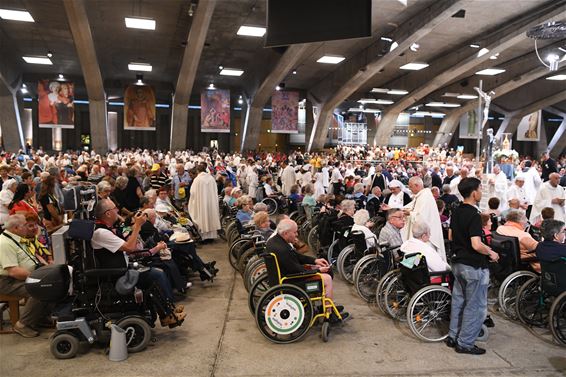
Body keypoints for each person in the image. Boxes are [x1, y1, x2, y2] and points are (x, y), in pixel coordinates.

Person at [91, 199, 186, 327]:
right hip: (116, 275)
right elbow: (130, 248)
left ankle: (167, 312)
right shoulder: (101, 233)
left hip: (123, 267)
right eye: (115, 209)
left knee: (155, 274)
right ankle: (167, 314)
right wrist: (137, 226)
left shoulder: (106, 229)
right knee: (157, 274)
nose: (118, 211)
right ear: (108, 213)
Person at [447, 177, 499, 355]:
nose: (482, 192)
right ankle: (465, 343)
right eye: (480, 188)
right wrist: (491, 252)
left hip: (458, 263)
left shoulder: (457, 210)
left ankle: (453, 336)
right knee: (475, 306)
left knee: (459, 301)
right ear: (474, 192)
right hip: (473, 266)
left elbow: (452, 236)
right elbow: (477, 244)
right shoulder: (474, 215)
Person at [266, 219, 349, 322]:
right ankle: (329, 314)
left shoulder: (276, 241)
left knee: (326, 272)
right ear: (286, 233)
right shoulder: (282, 249)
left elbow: (296, 257)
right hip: (291, 284)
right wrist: (317, 271)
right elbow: (297, 270)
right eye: (295, 232)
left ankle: (325, 306)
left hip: (285, 279)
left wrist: (315, 261)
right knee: (327, 278)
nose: (297, 234)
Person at [0, 214, 50, 337]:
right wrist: (37, 277)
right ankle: (23, 324)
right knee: (40, 288)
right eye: (25, 226)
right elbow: (13, 271)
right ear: (16, 228)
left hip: (18, 278)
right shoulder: (4, 243)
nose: (27, 228)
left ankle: (39, 317)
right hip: (7, 282)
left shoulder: (17, 237)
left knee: (52, 283)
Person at [402, 176, 446, 262]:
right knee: (416, 259)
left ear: (417, 185)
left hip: (426, 236)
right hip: (420, 237)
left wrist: (410, 213)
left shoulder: (426, 196)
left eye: (411, 187)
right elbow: (411, 208)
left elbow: (422, 217)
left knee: (426, 260)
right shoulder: (421, 196)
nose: (410, 189)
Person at [188, 163, 221, 241]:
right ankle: (212, 237)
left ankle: (204, 237)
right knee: (211, 217)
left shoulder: (197, 179)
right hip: (211, 203)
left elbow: (193, 192)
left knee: (203, 217)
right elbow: (215, 190)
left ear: (198, 171)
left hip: (201, 203)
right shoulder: (211, 178)